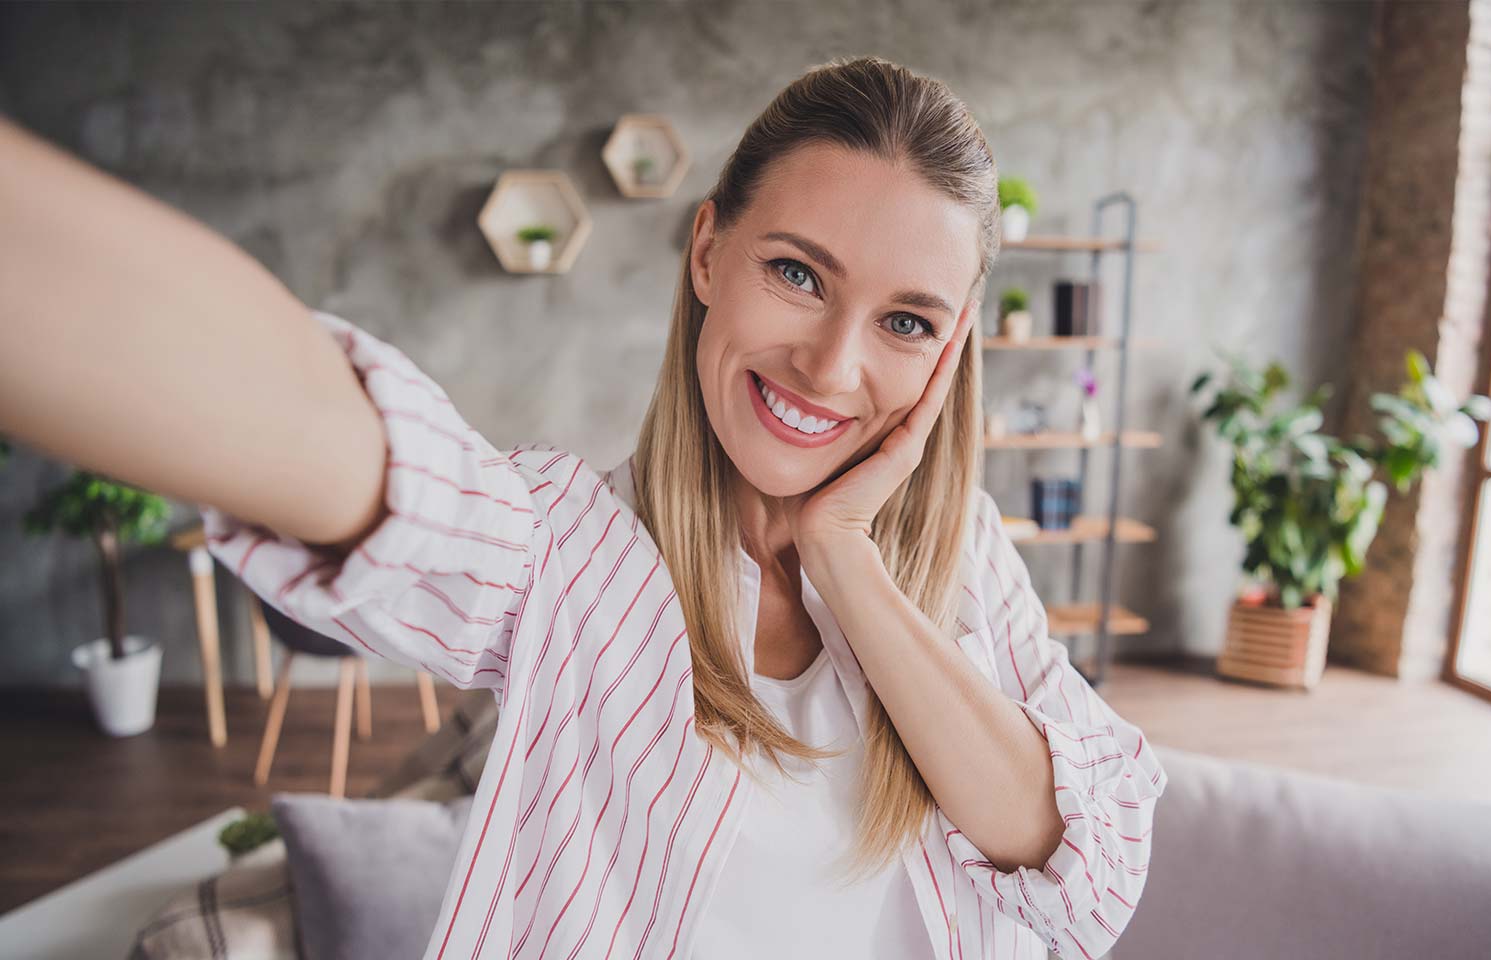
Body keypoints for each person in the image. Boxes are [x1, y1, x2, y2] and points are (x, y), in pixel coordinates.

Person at [0, 55, 1167, 960]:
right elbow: (340, 447)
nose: (831, 367)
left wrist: (847, 562)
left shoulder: (958, 559)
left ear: (953, 350)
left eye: (906, 321)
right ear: (709, 250)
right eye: (798, 274)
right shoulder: (574, 557)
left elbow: (1087, 872)